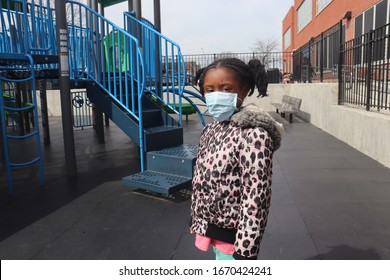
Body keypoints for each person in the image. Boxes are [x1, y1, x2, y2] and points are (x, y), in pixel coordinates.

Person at [190, 58, 284, 260]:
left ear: (243, 91)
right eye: (209, 90)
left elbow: (256, 197)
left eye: (225, 89)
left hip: (234, 239)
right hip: (211, 229)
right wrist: (197, 219)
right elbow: (201, 179)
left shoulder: (254, 136)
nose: (216, 96)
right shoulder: (211, 130)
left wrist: (246, 249)